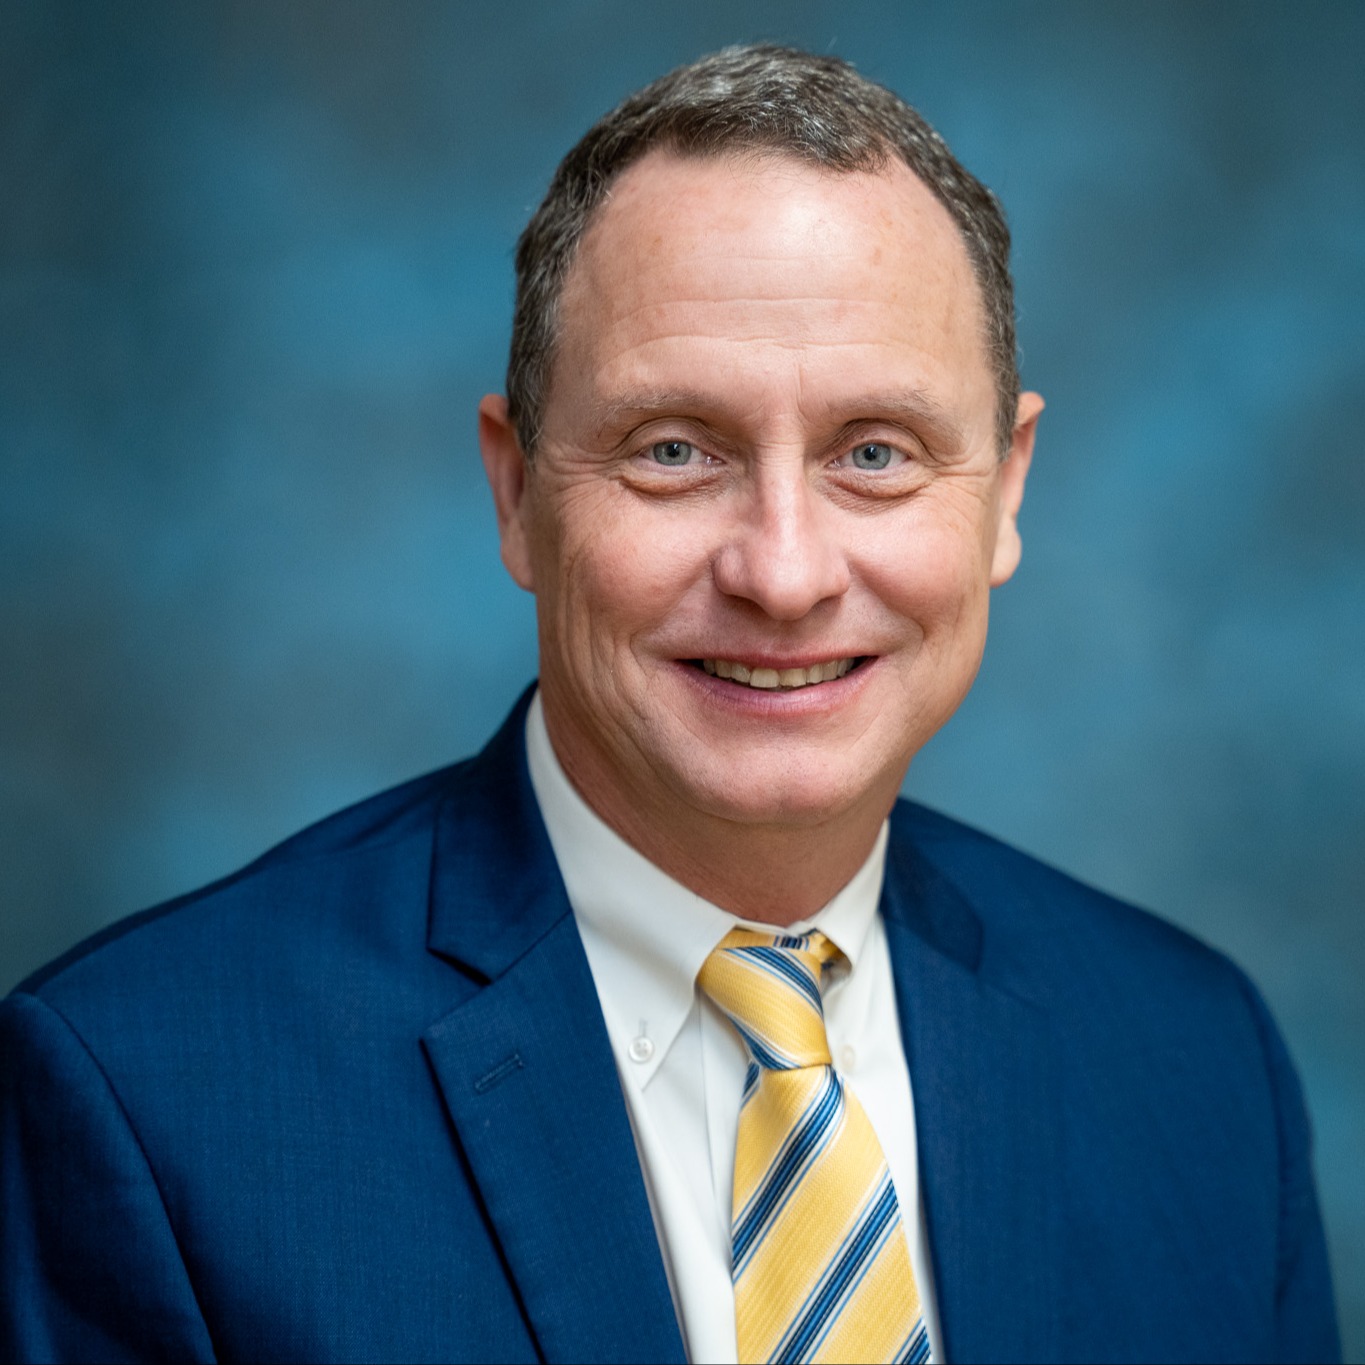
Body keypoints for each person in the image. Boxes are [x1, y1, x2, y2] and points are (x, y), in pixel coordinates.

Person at [0, 44, 1339, 1365]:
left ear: (1000, 492)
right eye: (674, 451)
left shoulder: (1193, 1062)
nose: (784, 571)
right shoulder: (143, 1095)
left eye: (874, 453)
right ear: (517, 493)